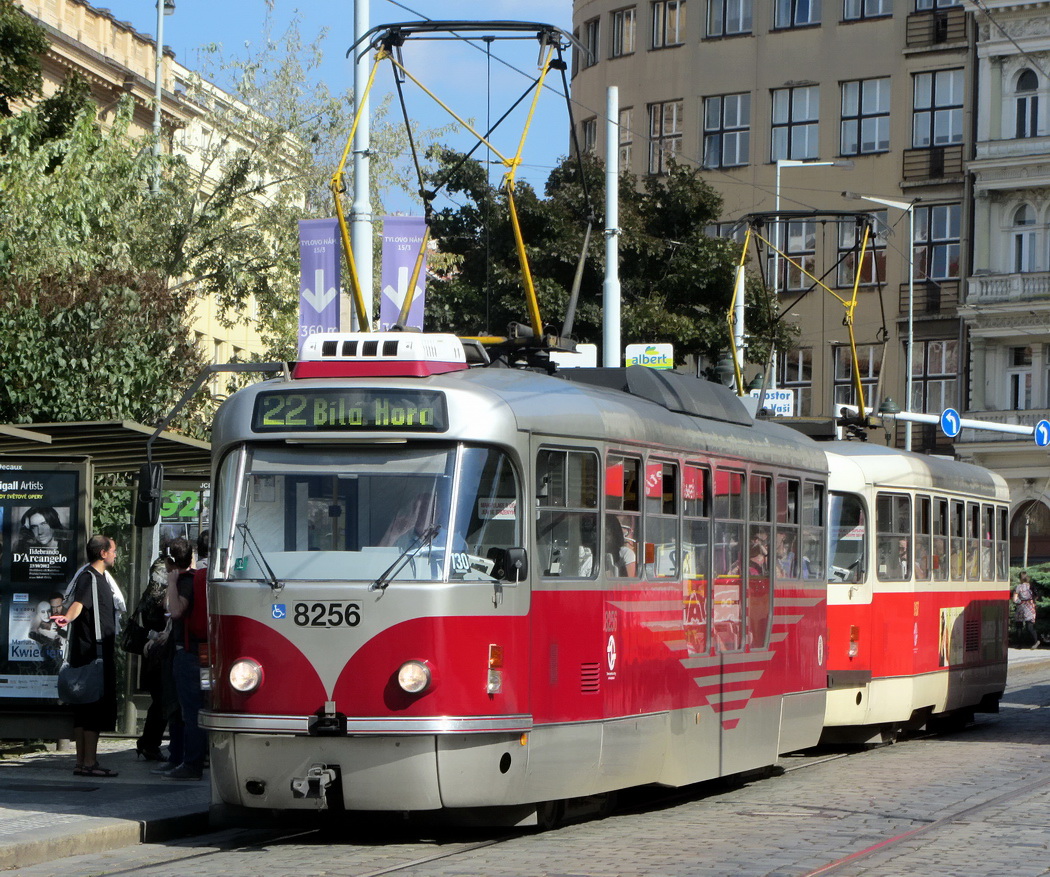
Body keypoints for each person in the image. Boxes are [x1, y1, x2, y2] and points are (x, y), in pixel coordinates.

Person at [50, 535, 121, 778]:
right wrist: (67, 617)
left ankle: (82, 763)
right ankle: (89, 762)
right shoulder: (89, 577)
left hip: (91, 652)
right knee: (92, 708)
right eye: (112, 550)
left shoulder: (96, 577)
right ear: (103, 553)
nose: (115, 554)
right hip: (93, 653)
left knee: (83, 709)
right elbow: (79, 603)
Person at [162, 535, 207, 780]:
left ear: (169, 561)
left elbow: (176, 611)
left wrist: (171, 581)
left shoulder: (184, 581)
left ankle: (192, 764)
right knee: (195, 709)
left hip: (188, 655)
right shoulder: (194, 579)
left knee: (191, 711)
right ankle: (194, 760)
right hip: (195, 653)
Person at [133, 543, 174, 761]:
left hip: (155, 652)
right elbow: (153, 623)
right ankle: (149, 743)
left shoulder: (151, 594)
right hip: (158, 651)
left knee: (161, 700)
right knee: (163, 700)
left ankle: (148, 743)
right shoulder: (158, 596)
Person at [1014, 570, 1040, 649]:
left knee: (1019, 626)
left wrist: (1019, 601)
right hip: (1030, 606)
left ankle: (1019, 645)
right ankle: (1036, 641)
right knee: (1029, 626)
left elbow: (1015, 599)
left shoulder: (1018, 587)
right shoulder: (1031, 586)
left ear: (1020, 578)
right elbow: (1036, 596)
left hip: (1021, 607)